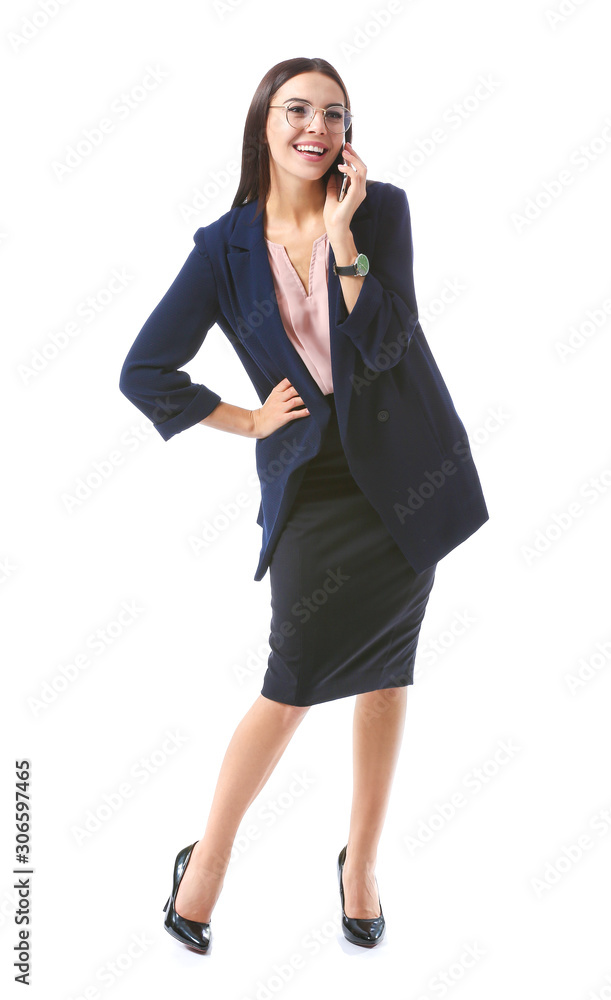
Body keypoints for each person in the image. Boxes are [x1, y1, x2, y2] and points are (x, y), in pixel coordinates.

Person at [119, 56, 489, 953]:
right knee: (288, 684)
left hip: (405, 473)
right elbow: (144, 371)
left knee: (386, 673)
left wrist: (344, 236)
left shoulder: (379, 210)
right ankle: (206, 860)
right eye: (296, 110)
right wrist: (246, 419)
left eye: (333, 112)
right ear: (264, 125)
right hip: (314, 486)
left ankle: (360, 862)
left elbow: (391, 340)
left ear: (347, 133)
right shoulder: (224, 247)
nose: (314, 127)